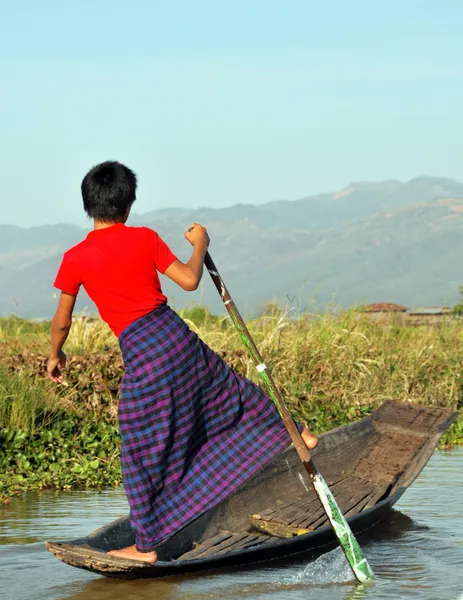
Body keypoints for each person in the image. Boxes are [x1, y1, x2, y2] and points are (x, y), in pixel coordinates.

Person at [47, 160, 318, 564]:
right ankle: (300, 435)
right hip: (175, 335)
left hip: (143, 350)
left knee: (140, 446)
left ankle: (146, 547)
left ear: (89, 206)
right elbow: (190, 281)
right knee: (230, 392)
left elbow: (63, 321)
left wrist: (55, 354)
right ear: (127, 206)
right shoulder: (144, 237)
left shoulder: (75, 257)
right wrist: (200, 244)